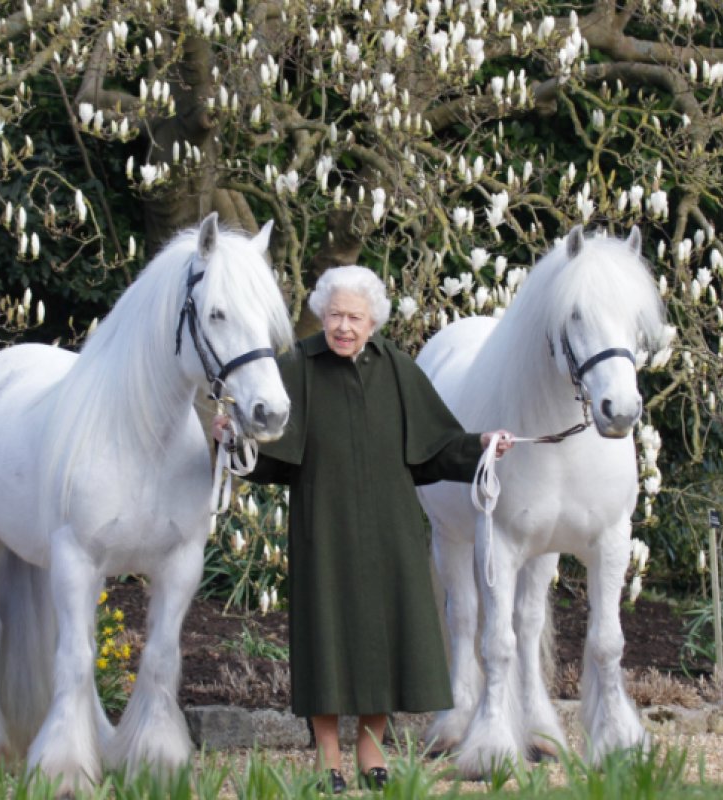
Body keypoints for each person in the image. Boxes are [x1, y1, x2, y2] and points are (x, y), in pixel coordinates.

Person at [214, 266, 513, 793]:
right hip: (321, 526)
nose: (343, 327)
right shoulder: (298, 367)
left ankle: (370, 747)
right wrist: (231, 440)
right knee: (325, 638)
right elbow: (267, 456)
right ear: (321, 317)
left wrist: (484, 444)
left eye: (354, 317)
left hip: (390, 529)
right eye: (334, 316)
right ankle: (328, 754)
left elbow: (437, 447)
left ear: (373, 320)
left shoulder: (397, 368)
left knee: (386, 638)